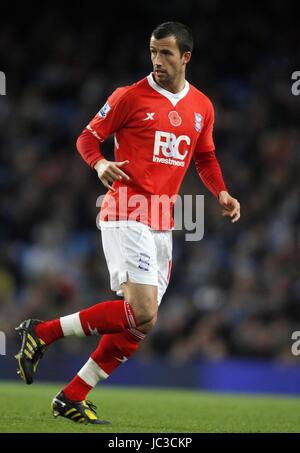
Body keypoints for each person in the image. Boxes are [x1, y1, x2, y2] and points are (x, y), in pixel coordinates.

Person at [15, 21, 240, 425]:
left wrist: (220, 191)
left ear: (186, 57)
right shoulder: (129, 97)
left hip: (163, 223)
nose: (157, 60)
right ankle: (42, 332)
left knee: (141, 324)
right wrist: (99, 161)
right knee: (141, 309)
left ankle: (72, 396)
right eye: (153, 52)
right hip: (125, 211)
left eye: (166, 53)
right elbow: (87, 137)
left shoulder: (202, 107)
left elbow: (204, 157)